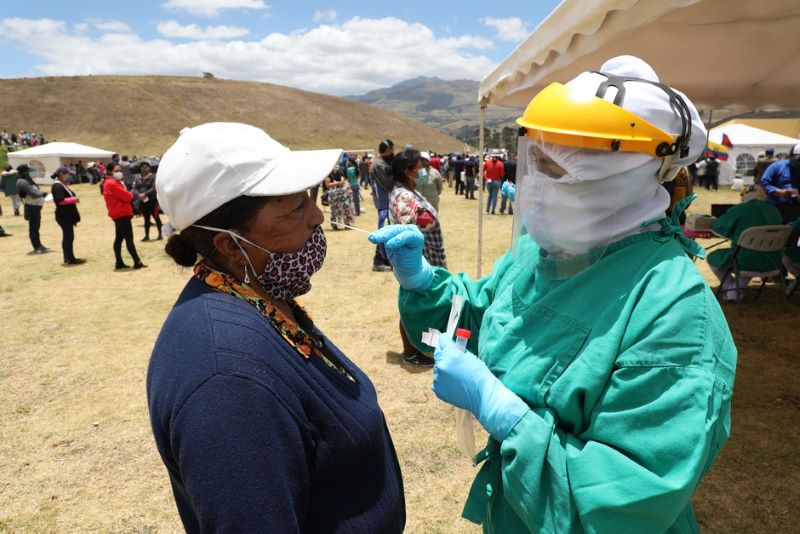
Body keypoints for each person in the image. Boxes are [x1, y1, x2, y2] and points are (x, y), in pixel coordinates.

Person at [370, 55, 736, 532]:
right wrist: (425, 284)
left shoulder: (674, 310)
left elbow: (629, 501)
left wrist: (505, 415)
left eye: (556, 169)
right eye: (535, 162)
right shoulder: (544, 251)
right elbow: (485, 311)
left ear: (621, 178)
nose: (537, 186)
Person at [147, 122, 405, 532]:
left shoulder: (259, 299)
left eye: (309, 198)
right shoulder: (227, 380)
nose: (316, 216)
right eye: (294, 209)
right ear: (230, 244)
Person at [387, 148, 448, 366]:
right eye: (420, 167)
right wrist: (426, 219)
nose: (423, 170)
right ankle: (411, 351)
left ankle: (425, 346)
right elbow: (408, 228)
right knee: (414, 305)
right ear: (408, 171)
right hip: (417, 261)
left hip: (423, 257)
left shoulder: (407, 191)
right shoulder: (404, 195)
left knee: (425, 303)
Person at [707, 185, 783, 300]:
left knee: (714, 257)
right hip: (773, 261)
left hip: (744, 260)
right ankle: (734, 290)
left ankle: (731, 290)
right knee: (751, 251)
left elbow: (719, 228)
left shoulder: (740, 209)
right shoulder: (774, 210)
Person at [102, 163, 146, 270]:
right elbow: (127, 197)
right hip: (121, 213)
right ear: (110, 171)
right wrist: (130, 193)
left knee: (119, 238)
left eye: (120, 170)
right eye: (116, 171)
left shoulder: (109, 182)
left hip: (117, 213)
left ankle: (119, 262)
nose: (119, 173)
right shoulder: (112, 183)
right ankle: (137, 261)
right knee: (129, 239)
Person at [50, 166, 85, 266]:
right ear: (61, 174)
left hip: (66, 215)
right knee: (68, 237)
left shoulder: (61, 184)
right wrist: (74, 199)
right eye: (67, 174)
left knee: (68, 237)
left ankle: (68, 257)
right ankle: (70, 258)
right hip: (63, 216)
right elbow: (60, 200)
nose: (68, 176)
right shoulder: (57, 186)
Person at [369, 139, 395, 272]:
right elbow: (389, 183)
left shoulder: (381, 163)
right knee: (384, 230)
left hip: (386, 202)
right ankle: (378, 260)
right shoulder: (378, 164)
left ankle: (385, 259)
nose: (393, 152)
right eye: (392, 149)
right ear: (387, 150)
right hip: (384, 203)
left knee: (388, 230)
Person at [15, 163, 49, 254]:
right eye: (29, 170)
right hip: (31, 207)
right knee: (33, 228)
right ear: (24, 172)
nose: (31, 172)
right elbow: (34, 194)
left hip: (35, 207)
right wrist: (43, 194)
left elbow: (36, 190)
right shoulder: (22, 182)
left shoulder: (28, 180)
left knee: (36, 227)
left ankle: (39, 245)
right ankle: (37, 247)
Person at [132, 162, 163, 241]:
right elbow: (135, 188)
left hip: (152, 200)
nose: (144, 168)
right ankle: (146, 236)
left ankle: (160, 234)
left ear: (149, 168)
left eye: (146, 166)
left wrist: (145, 194)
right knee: (146, 219)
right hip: (142, 201)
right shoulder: (138, 178)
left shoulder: (153, 177)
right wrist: (139, 195)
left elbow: (154, 188)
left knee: (156, 217)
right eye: (142, 167)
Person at [324, 165, 354, 230]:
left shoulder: (340, 173)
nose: (336, 167)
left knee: (346, 208)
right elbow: (327, 185)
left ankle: (347, 224)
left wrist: (343, 183)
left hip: (342, 193)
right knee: (334, 210)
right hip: (332, 195)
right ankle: (334, 225)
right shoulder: (328, 174)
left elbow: (344, 181)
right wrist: (338, 183)